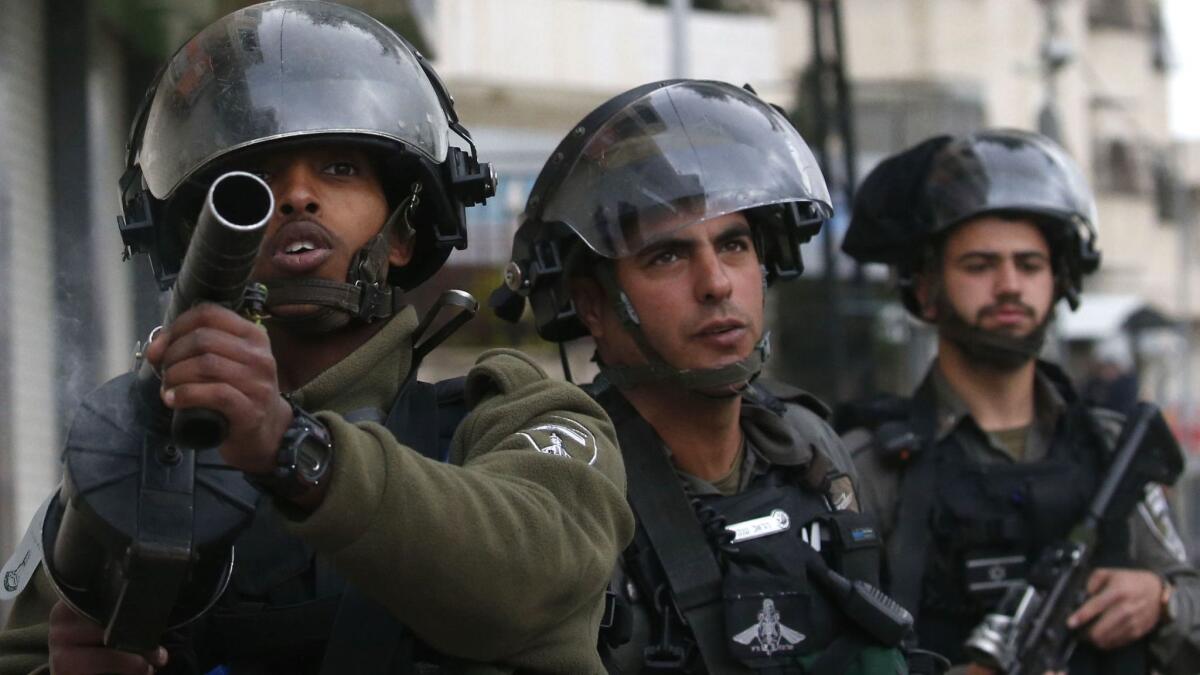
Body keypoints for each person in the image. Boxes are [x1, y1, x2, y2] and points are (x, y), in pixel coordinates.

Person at [0, 2, 632, 674]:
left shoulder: (512, 411)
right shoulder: (129, 460)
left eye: (339, 170)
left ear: (405, 234)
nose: (297, 198)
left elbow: (531, 578)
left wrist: (289, 448)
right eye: (261, 180)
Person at [492, 79, 921, 674]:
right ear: (593, 305)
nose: (716, 282)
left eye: (735, 245)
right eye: (666, 256)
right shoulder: (570, 488)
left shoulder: (810, 448)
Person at [838, 129, 1200, 674]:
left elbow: (1190, 605)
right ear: (926, 289)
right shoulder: (871, 468)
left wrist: (1161, 602)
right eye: (979, 265)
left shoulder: (1113, 451)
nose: (1009, 286)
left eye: (1029, 265)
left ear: (1060, 281)